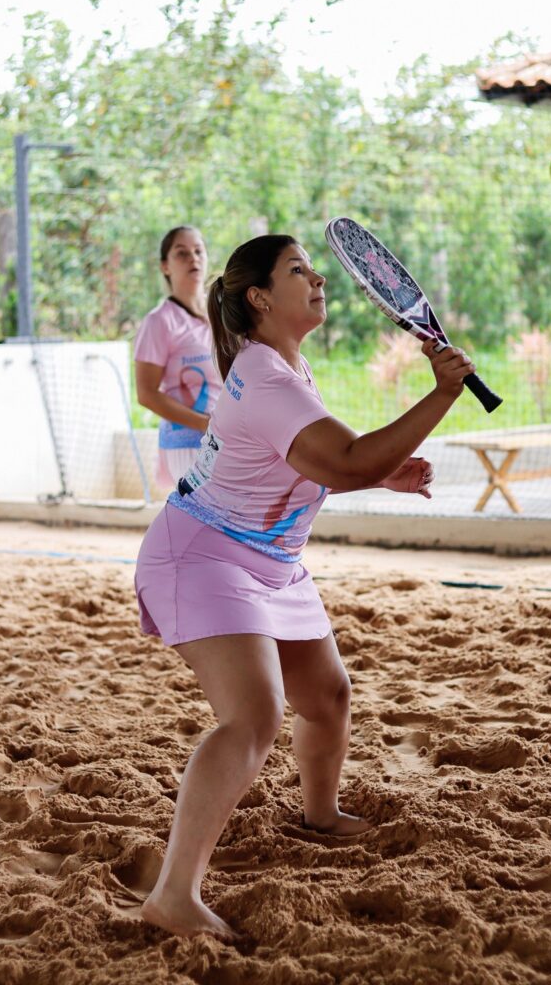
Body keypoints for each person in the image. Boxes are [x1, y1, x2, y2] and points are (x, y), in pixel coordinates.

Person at [135, 234, 475, 940]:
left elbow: (316, 460)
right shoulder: (264, 376)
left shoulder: (284, 365)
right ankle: (173, 895)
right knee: (253, 716)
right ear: (260, 298)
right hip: (204, 554)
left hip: (268, 560)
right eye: (298, 270)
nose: (318, 277)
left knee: (325, 697)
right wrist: (439, 395)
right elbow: (344, 461)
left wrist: (381, 471)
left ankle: (318, 815)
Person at [134, 226, 222, 490]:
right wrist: (205, 424)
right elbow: (146, 394)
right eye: (181, 253)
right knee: (210, 523)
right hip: (188, 444)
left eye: (198, 251)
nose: (193, 259)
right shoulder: (159, 321)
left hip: (228, 438)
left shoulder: (223, 312)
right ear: (165, 266)